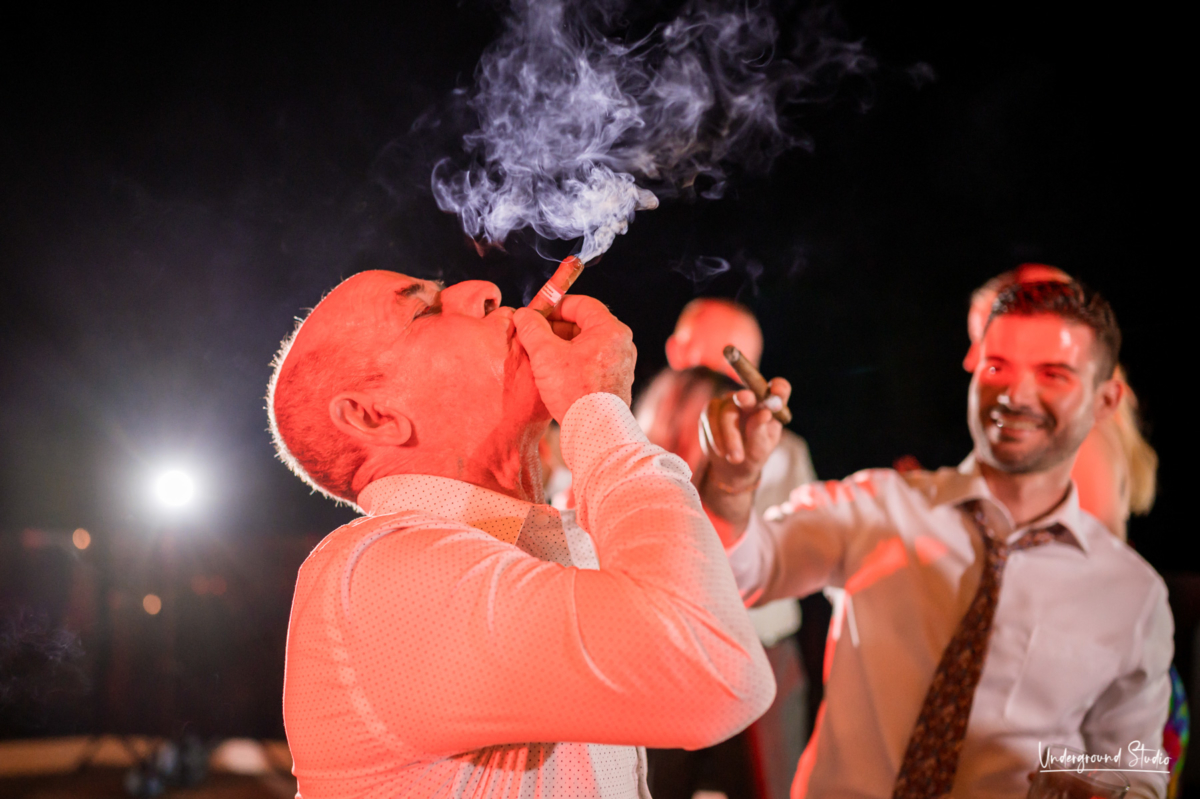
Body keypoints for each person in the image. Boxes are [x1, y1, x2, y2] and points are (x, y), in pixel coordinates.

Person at [268, 272, 775, 798]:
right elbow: (714, 670)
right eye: (424, 312)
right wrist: (596, 407)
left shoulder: (525, 546)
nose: (483, 289)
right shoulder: (376, 580)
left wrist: (729, 491)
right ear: (373, 416)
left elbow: (694, 602)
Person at [700, 279, 1173, 797]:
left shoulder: (1134, 595)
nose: (1015, 394)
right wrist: (731, 485)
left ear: (1106, 400)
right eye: (997, 367)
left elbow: (1139, 770)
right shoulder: (879, 505)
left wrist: (1105, 789)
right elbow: (740, 573)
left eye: (1052, 374)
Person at [633, 298, 816, 799]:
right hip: (653, 659)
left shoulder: (782, 454)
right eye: (715, 362)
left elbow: (790, 559)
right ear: (676, 354)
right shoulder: (624, 444)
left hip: (756, 652)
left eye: (741, 367)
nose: (726, 384)